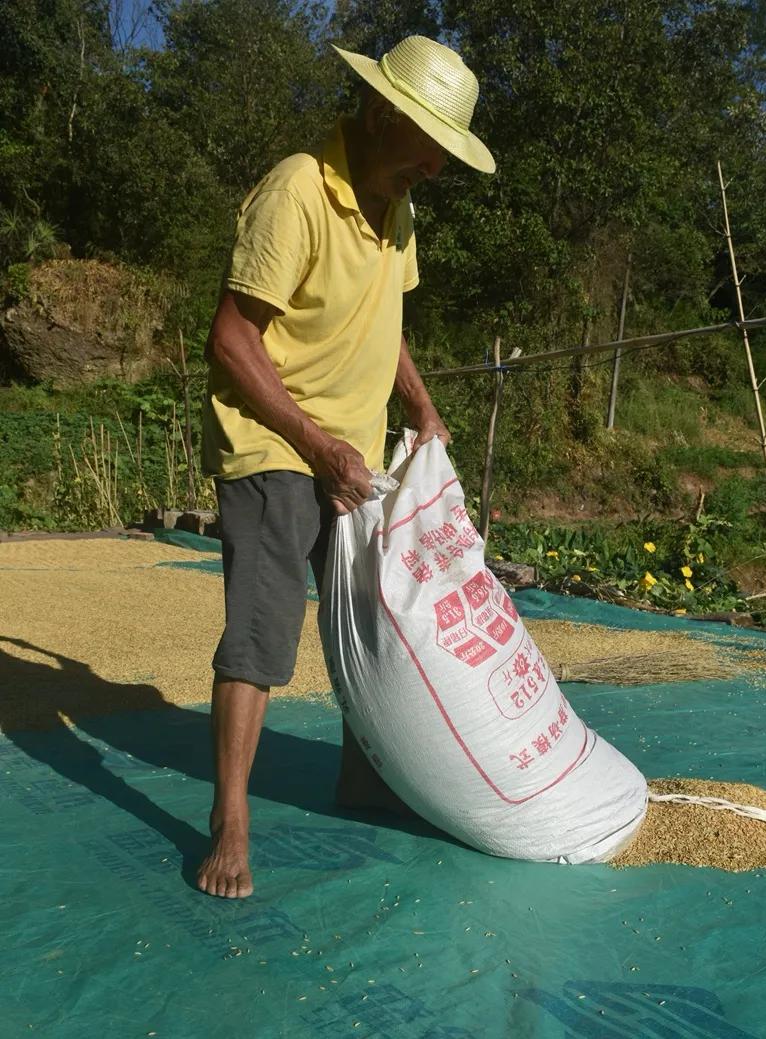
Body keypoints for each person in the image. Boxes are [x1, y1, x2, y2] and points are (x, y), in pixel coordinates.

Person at [195, 36, 495, 898]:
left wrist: (421, 405)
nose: (434, 171)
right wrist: (312, 441)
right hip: (275, 443)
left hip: (352, 453)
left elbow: (383, 320)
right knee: (264, 628)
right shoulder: (298, 188)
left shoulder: (397, 206)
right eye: (427, 148)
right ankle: (231, 819)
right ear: (377, 115)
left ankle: (366, 780)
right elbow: (231, 338)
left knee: (378, 621)